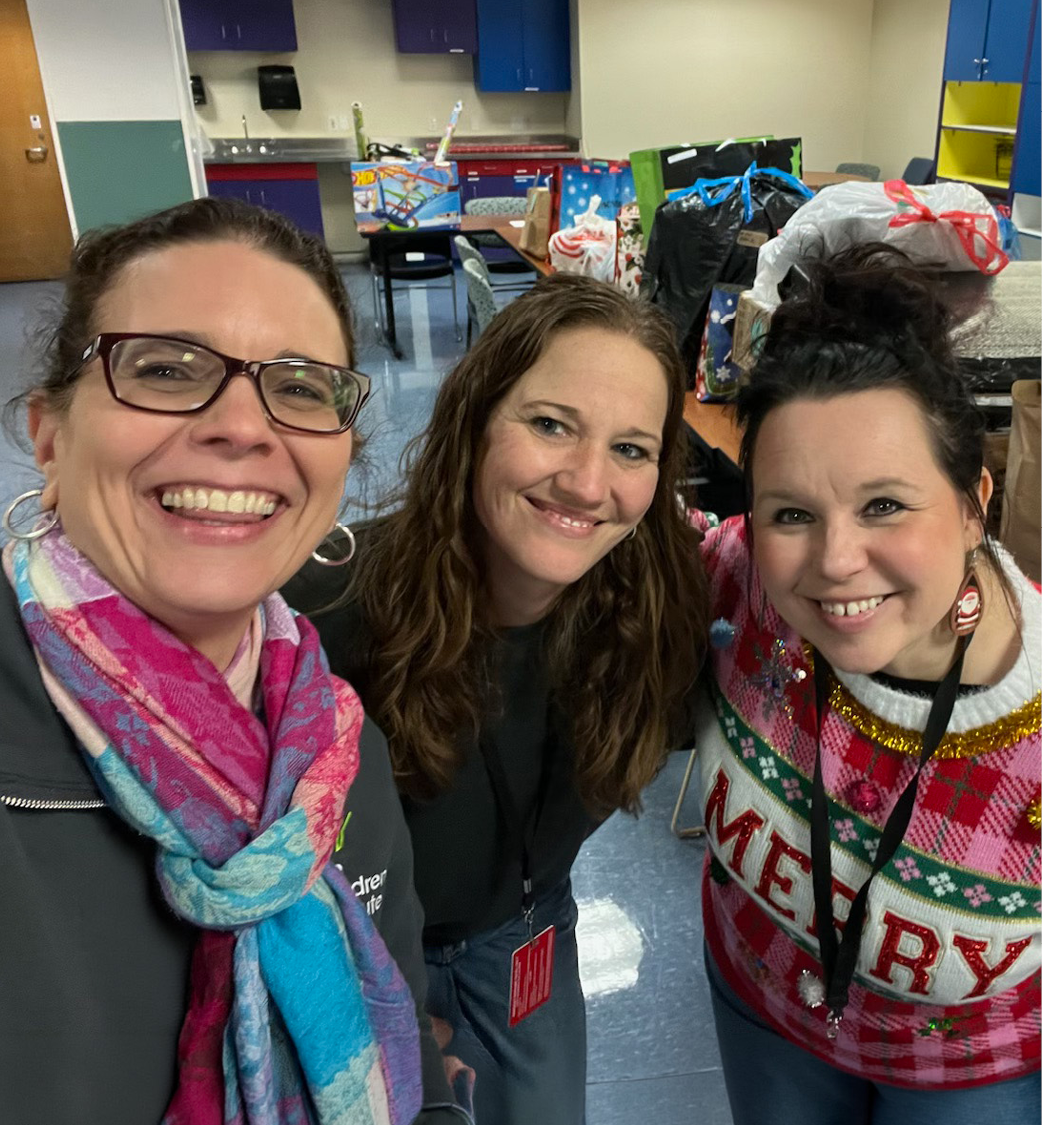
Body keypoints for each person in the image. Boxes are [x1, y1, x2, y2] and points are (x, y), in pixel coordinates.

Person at [0, 197, 470, 1125]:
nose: (242, 426)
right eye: (168, 369)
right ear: (50, 435)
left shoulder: (331, 743)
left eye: (299, 388)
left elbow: (401, 1025)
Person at [285, 274, 710, 1124]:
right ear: (476, 419)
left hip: (529, 933)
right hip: (351, 947)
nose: (589, 484)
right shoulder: (324, 616)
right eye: (551, 425)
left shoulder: (654, 616)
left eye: (631, 448)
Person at [694, 244, 1040, 1124]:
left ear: (973, 504)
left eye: (885, 503)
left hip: (970, 1077)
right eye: (792, 513)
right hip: (760, 1006)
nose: (836, 563)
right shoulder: (744, 577)